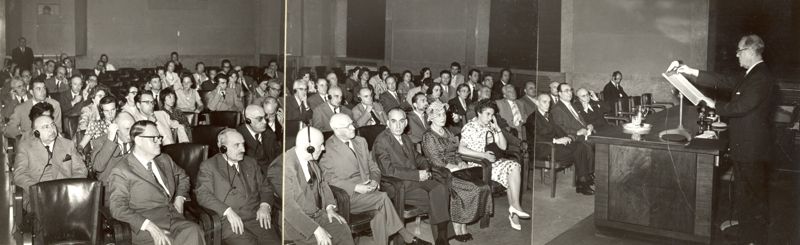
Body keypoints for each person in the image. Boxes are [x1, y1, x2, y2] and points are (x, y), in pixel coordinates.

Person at [671, 34, 778, 244]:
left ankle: (753, 238)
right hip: (745, 145)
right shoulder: (751, 74)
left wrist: (712, 104)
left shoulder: (761, 77)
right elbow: (723, 80)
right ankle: (747, 227)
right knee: (745, 191)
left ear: (749, 52)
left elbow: (741, 107)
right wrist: (690, 71)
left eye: (739, 51)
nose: (736, 55)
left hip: (752, 148)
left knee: (751, 193)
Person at [319, 114, 427, 245]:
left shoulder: (360, 141)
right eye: (348, 126)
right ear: (336, 129)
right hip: (346, 196)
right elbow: (327, 180)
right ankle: (407, 236)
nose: (353, 127)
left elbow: (373, 167)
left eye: (352, 123)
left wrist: (375, 180)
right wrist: (355, 187)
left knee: (379, 215)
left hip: (368, 191)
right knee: (382, 198)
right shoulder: (327, 149)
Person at [108, 120, 205, 245]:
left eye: (159, 137)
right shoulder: (122, 170)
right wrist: (149, 226)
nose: (160, 141)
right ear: (138, 140)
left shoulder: (164, 159)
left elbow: (183, 177)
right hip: (146, 225)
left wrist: (180, 197)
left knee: (195, 231)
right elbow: (117, 208)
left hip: (173, 218)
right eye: (154, 138)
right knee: (170, 242)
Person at [373, 109, 452, 245]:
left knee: (441, 188)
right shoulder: (382, 141)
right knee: (439, 198)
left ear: (406, 123)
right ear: (387, 123)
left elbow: (417, 157)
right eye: (394, 121)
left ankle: (442, 237)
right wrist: (416, 175)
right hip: (397, 185)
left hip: (414, 179)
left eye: (401, 121)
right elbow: (387, 170)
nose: (398, 126)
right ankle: (442, 238)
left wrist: (426, 168)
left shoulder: (405, 137)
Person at [195, 129, 280, 244]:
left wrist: (265, 205)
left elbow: (266, 187)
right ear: (222, 147)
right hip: (229, 222)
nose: (243, 149)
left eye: (243, 144)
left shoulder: (251, 163)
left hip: (256, 218)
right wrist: (227, 211)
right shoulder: (209, 166)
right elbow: (202, 195)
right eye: (237, 145)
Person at [421, 101, 491, 242]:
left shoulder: (447, 131)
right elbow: (435, 160)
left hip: (456, 169)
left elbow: (456, 152)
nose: (443, 117)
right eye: (438, 115)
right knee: (470, 188)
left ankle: (462, 224)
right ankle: (457, 226)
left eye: (444, 114)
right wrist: (453, 167)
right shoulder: (428, 136)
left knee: (482, 186)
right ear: (431, 118)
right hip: (440, 173)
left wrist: (460, 162)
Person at [458, 100, 529, 230]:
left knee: (514, 166)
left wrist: (497, 129)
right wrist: (483, 155)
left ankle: (515, 208)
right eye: (488, 114)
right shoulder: (469, 127)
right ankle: (514, 212)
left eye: (492, 115)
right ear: (479, 113)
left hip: (495, 163)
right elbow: (461, 150)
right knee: (511, 170)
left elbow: (503, 146)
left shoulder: (490, 126)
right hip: (479, 165)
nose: (490, 117)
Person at [280, 127, 355, 245]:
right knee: (323, 241)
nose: (323, 148)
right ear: (310, 148)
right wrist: (315, 229)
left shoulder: (311, 160)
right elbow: (289, 208)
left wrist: (329, 207)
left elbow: (323, 184)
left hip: (317, 214)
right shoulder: (286, 166)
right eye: (321, 145)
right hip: (295, 223)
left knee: (342, 228)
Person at [525, 94, 595, 195]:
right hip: (541, 148)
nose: (547, 105)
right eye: (544, 102)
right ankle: (582, 182)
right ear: (537, 102)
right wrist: (555, 141)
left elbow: (558, 130)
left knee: (580, 146)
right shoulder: (532, 118)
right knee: (577, 151)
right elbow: (535, 137)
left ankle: (582, 181)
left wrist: (567, 137)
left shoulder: (549, 116)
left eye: (549, 102)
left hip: (552, 146)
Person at [13, 114, 87, 209]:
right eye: (45, 127)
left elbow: (80, 169)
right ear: (36, 132)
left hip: (66, 193)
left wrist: (71, 189)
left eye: (52, 125)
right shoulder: (26, 147)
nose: (51, 129)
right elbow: (20, 174)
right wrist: (38, 190)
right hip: (39, 195)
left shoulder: (68, 144)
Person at [92, 111, 136, 186]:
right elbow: (98, 167)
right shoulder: (101, 141)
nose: (131, 133)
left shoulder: (138, 140)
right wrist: (110, 140)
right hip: (111, 187)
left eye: (133, 128)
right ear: (116, 129)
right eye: (127, 129)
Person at [236, 105, 281, 173]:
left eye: (264, 117)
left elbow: (279, 158)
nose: (265, 122)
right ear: (248, 121)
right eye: (259, 119)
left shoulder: (270, 135)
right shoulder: (237, 137)